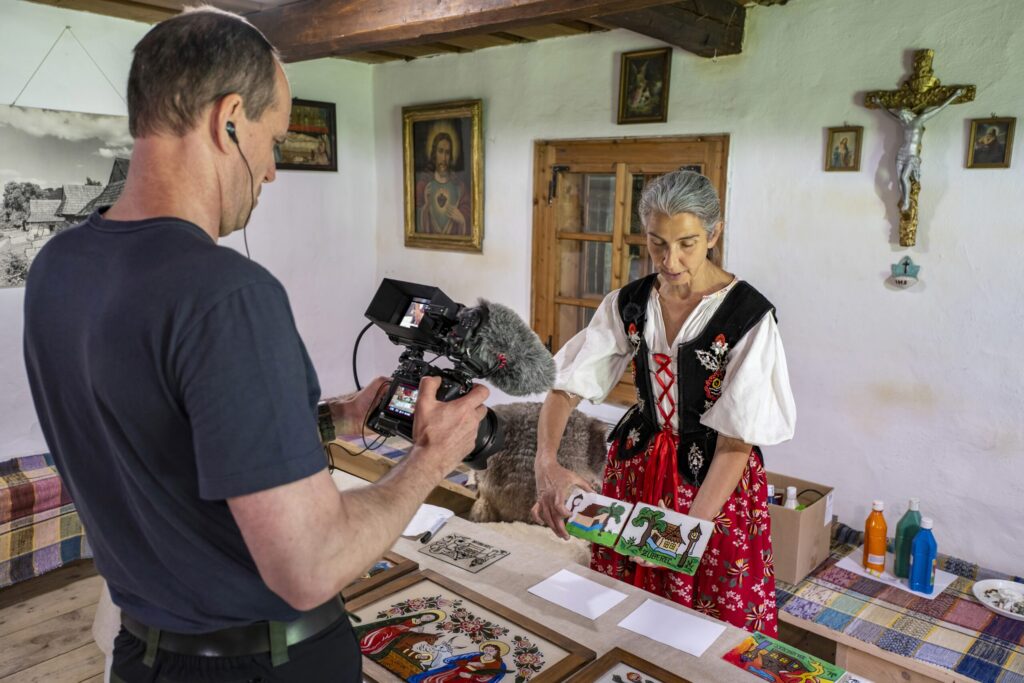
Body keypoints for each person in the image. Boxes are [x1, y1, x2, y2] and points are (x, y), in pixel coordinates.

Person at [22, 8, 488, 683]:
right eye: (274, 141)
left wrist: (330, 420)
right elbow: (312, 565)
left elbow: (161, 438)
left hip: (142, 655)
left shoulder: (58, 267)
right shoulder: (227, 293)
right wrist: (431, 458)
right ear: (230, 119)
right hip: (260, 664)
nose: (270, 171)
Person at [531, 170, 795, 636]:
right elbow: (565, 386)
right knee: (623, 609)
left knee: (708, 622)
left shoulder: (748, 317)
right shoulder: (629, 303)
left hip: (713, 485)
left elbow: (736, 441)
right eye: (656, 244)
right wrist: (546, 462)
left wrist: (687, 532)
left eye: (686, 244)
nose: (670, 261)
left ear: (714, 234)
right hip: (637, 469)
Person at [415, 131, 470, 235]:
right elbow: (413, 221)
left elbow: (470, 218)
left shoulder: (460, 188)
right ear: (434, 153)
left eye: (447, 153)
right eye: (440, 151)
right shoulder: (423, 186)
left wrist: (462, 219)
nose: (444, 158)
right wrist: (426, 208)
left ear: (451, 156)